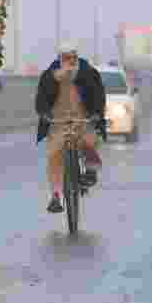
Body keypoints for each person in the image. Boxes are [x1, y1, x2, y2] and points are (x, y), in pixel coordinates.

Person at [34, 41, 107, 213]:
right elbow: (41, 100)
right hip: (58, 122)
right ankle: (56, 196)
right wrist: (44, 113)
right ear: (60, 58)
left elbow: (98, 95)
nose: (69, 61)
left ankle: (90, 171)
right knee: (54, 155)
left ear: (76, 56)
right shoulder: (49, 75)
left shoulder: (88, 73)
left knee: (90, 141)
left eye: (72, 57)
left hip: (82, 119)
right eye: (66, 58)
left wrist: (96, 113)